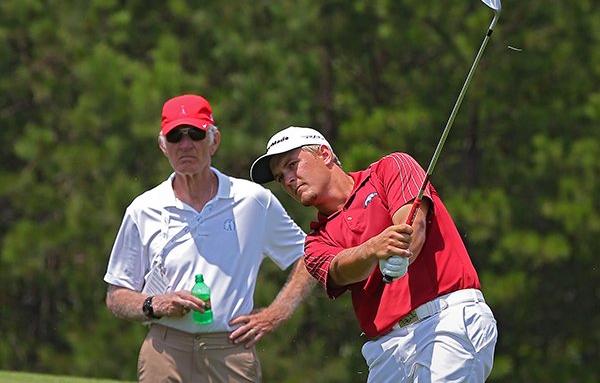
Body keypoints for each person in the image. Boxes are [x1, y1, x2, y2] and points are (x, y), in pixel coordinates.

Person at [250, 126, 498, 382]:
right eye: (281, 177)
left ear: (324, 154)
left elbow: (414, 227)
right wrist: (372, 250)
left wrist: (401, 252)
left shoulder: (390, 168)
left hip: (445, 321)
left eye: (292, 165)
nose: (289, 180)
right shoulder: (314, 243)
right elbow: (340, 270)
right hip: (387, 350)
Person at [103, 96, 315, 383]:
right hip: (165, 350)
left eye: (196, 134)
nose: (186, 144)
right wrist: (154, 304)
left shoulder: (253, 201)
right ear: (163, 145)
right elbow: (117, 295)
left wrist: (276, 313)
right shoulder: (143, 209)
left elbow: (310, 256)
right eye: (175, 136)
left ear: (214, 141)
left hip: (230, 350)